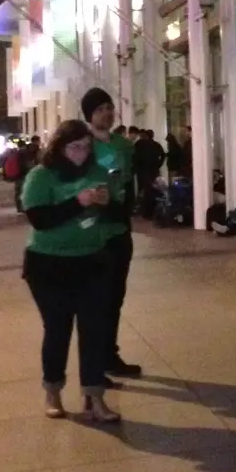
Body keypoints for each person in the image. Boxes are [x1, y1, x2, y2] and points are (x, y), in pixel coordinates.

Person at [20, 119, 120, 423]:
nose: (81, 153)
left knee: (94, 330)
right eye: (75, 147)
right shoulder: (41, 176)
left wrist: (106, 203)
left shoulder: (97, 172)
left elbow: (117, 213)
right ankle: (53, 391)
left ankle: (95, 396)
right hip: (48, 265)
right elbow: (40, 219)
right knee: (58, 330)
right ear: (60, 147)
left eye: (86, 147)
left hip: (91, 261)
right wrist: (78, 202)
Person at [81, 87, 141, 383]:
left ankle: (109, 354)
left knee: (115, 296)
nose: (107, 112)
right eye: (100, 108)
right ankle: (95, 363)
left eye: (109, 107)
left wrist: (126, 207)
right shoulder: (82, 145)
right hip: (94, 233)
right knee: (96, 300)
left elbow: (129, 181)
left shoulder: (123, 144)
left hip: (119, 229)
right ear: (89, 115)